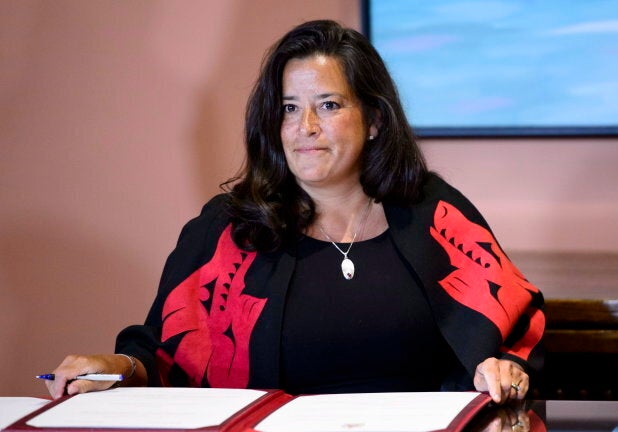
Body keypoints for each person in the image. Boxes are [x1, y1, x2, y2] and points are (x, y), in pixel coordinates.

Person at [45, 20, 545, 404]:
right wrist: (113, 368)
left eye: (328, 105)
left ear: (373, 120)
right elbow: (160, 356)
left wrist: (503, 367)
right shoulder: (227, 229)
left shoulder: (435, 213)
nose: (305, 126)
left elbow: (516, 329)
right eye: (288, 108)